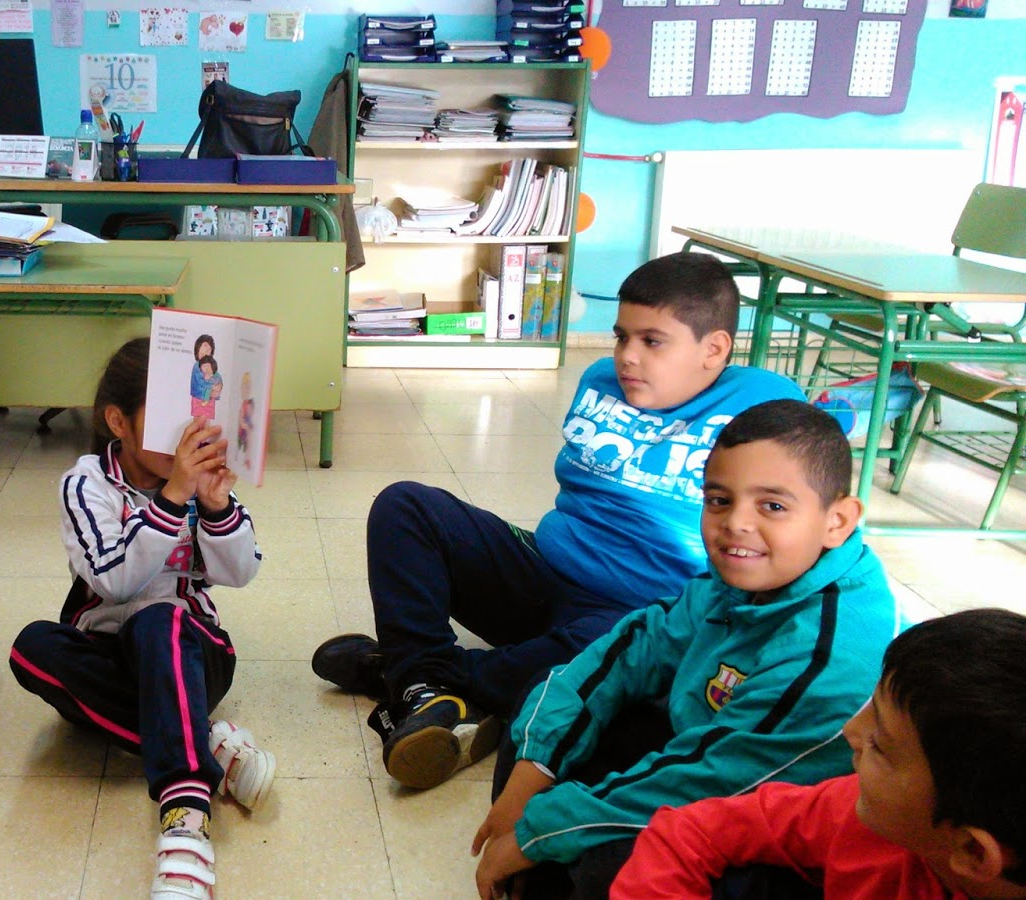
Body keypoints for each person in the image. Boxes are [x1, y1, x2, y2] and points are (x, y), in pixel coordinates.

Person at [313, 252, 804, 790]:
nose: (627, 356)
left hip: (640, 612)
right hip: (543, 570)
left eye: (652, 341)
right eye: (621, 337)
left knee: (606, 657)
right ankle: (448, 684)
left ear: (713, 349)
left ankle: (412, 677)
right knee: (406, 506)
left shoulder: (764, 408)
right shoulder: (600, 379)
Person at [471, 399, 908, 900]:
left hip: (784, 836)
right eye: (719, 500)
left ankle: (534, 863)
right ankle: (527, 877)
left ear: (838, 521)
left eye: (772, 506)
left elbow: (714, 780)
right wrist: (531, 778)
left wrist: (541, 829)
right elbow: (628, 652)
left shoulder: (828, 656)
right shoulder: (749, 576)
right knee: (552, 707)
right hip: (715, 754)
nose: (735, 523)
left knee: (621, 861)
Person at [10, 337, 275, 900]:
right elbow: (114, 580)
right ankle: (204, 744)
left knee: (159, 620)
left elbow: (241, 571)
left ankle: (186, 822)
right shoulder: (85, 484)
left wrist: (215, 506)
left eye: (194, 416)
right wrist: (172, 498)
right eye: (166, 418)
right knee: (30, 647)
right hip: (110, 656)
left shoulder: (200, 479)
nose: (187, 436)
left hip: (192, 652)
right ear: (118, 422)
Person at [612, 607, 1026, 900]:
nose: (850, 731)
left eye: (880, 745)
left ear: (973, 851)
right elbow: (693, 830)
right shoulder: (861, 813)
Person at [236, 372, 254, 457]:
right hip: (242, 433)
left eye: (248, 387)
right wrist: (246, 426)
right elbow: (241, 421)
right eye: (244, 387)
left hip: (246, 433)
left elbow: (250, 416)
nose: (246, 391)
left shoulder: (249, 404)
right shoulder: (243, 405)